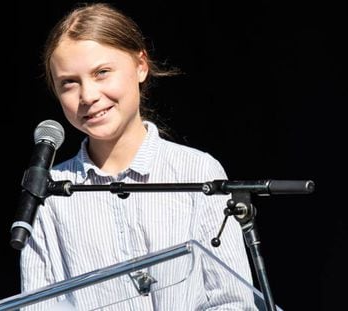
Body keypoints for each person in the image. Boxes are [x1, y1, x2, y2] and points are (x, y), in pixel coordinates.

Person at [20, 2, 258, 310]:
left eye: (102, 72)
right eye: (69, 83)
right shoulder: (47, 192)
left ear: (140, 65)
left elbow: (232, 300)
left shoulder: (198, 171)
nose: (88, 95)